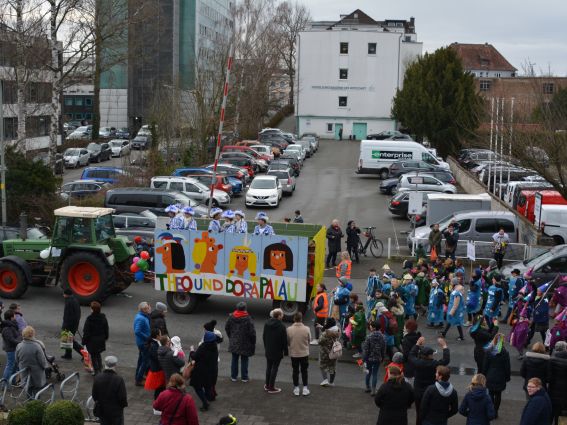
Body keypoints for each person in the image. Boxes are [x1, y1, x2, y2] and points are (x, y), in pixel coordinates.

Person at [409, 336, 450, 425]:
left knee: (419, 412)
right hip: (431, 391)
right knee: (430, 411)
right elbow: (446, 360)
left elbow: (411, 355)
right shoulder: (434, 364)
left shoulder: (417, 362)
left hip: (418, 391)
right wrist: (444, 346)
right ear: (429, 355)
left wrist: (417, 344)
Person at [92, 355, 128, 425]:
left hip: (102, 411)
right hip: (116, 412)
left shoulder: (97, 377)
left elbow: (94, 395)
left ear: (105, 364)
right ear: (115, 365)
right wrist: (122, 406)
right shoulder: (119, 379)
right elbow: (122, 397)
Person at [225, 302, 256, 382]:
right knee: (244, 360)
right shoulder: (248, 318)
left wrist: (231, 336)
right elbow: (252, 332)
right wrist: (253, 341)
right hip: (245, 343)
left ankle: (233, 376)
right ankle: (244, 377)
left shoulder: (231, 317)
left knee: (234, 359)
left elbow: (227, 327)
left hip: (234, 342)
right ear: (245, 309)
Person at [481, 334, 510, 419]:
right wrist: (507, 377)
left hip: (490, 375)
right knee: (498, 394)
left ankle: (490, 410)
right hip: (501, 376)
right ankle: (495, 411)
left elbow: (485, 365)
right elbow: (507, 367)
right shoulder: (505, 352)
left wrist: (484, 375)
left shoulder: (489, 351)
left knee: (490, 393)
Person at [190, 330, 219, 411]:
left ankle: (205, 402)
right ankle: (207, 399)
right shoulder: (214, 347)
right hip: (210, 371)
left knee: (197, 386)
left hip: (200, 371)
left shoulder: (203, 347)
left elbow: (195, 356)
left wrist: (192, 350)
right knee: (207, 386)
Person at [15, 326, 49, 396]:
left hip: (24, 370)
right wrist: (45, 367)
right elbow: (42, 361)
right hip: (36, 372)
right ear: (32, 334)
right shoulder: (37, 346)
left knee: (28, 388)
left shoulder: (19, 345)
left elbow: (17, 359)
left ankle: (29, 402)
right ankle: (35, 404)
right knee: (37, 391)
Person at [263, 308, 288, 393]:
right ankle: (271, 387)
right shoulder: (281, 326)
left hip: (268, 349)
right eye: (282, 314)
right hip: (277, 350)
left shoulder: (267, 323)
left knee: (269, 367)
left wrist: (266, 347)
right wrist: (286, 351)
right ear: (279, 316)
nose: (283, 316)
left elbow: (264, 336)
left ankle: (267, 385)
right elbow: (284, 340)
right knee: (274, 368)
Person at [286, 312, 311, 396]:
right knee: (304, 371)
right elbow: (309, 340)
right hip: (304, 353)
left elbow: (288, 342)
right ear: (301, 319)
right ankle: (305, 388)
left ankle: (296, 388)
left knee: (295, 371)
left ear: (294, 319)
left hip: (294, 353)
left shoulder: (289, 329)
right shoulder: (307, 328)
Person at [82, 301, 109, 375]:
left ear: (92, 309)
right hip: (100, 340)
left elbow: (86, 331)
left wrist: (84, 341)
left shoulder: (89, 319)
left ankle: (96, 370)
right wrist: (105, 337)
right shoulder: (103, 317)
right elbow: (106, 328)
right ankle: (100, 368)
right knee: (98, 354)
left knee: (93, 356)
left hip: (92, 341)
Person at [362, 320, 386, 395]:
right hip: (378, 358)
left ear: (374, 328)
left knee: (368, 372)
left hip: (369, 358)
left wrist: (364, 358)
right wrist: (382, 357)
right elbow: (383, 348)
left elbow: (366, 349)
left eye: (371, 326)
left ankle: (367, 387)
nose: (370, 327)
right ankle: (373, 390)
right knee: (375, 373)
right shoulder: (383, 336)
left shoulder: (369, 336)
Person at [548, 341, 567, 425]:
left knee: (550, 413)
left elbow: (548, 377)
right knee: (560, 415)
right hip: (564, 393)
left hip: (552, 390)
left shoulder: (551, 361)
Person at [133, 301, 152, 386]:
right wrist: (147, 338)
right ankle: (139, 379)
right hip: (143, 343)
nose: (149, 309)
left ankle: (138, 376)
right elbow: (137, 331)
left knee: (141, 360)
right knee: (145, 361)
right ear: (144, 309)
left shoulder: (142, 316)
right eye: (148, 308)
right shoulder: (141, 318)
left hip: (142, 343)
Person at [61, 288, 82, 360]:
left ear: (66, 294)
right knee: (67, 340)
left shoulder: (69, 302)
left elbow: (68, 316)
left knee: (70, 341)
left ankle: (84, 353)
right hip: (73, 324)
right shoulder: (74, 300)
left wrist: (65, 327)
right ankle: (68, 354)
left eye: (63, 294)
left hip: (69, 325)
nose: (63, 295)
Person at [1, 309, 22, 382]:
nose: (15, 317)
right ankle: (5, 384)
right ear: (11, 317)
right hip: (11, 350)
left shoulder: (12, 325)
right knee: (10, 366)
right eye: (14, 315)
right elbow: (11, 340)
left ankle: (12, 382)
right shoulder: (7, 328)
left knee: (14, 366)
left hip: (14, 349)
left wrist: (20, 337)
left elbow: (18, 334)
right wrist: (20, 341)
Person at [145, 328, 165, 400]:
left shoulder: (156, 343)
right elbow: (157, 357)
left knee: (160, 388)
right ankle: (157, 401)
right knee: (159, 388)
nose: (161, 335)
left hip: (158, 368)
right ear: (157, 336)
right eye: (160, 334)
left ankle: (159, 400)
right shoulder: (153, 346)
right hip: (157, 369)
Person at [319, 318, 339, 386]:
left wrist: (322, 330)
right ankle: (331, 382)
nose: (325, 322)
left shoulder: (325, 333)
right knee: (332, 367)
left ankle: (325, 380)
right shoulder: (337, 331)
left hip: (325, 352)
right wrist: (322, 327)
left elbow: (320, 341)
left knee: (322, 365)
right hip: (334, 352)